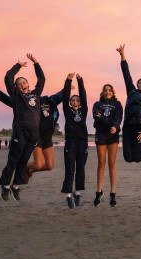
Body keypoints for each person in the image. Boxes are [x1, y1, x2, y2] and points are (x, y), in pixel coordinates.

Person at [0, 78, 63, 183]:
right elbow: (5, 98)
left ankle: (28, 171)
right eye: (20, 84)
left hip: (47, 137)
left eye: (25, 83)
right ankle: (22, 168)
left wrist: (68, 85)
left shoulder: (48, 100)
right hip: (35, 136)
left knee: (49, 166)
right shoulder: (21, 101)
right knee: (38, 164)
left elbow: (60, 95)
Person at [0, 53, 45, 201]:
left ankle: (16, 186)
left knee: (24, 160)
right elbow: (7, 78)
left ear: (28, 84)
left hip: (34, 133)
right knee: (14, 159)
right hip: (20, 131)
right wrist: (17, 66)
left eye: (24, 82)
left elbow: (42, 79)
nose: (23, 84)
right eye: (19, 83)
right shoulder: (16, 97)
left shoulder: (36, 95)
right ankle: (5, 186)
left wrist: (36, 62)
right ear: (16, 88)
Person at [92, 84, 123, 207]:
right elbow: (96, 115)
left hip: (112, 135)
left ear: (112, 92)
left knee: (112, 164)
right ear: (102, 92)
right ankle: (99, 191)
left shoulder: (117, 104)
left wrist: (115, 127)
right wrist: (97, 116)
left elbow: (119, 117)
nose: (107, 92)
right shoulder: (97, 104)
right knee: (101, 163)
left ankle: (113, 193)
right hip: (101, 134)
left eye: (109, 90)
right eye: (105, 90)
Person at [61, 73, 88, 209]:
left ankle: (77, 192)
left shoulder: (84, 111)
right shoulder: (67, 110)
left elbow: (83, 95)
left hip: (82, 144)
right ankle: (68, 195)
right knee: (70, 169)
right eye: (73, 100)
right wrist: (68, 80)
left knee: (81, 169)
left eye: (77, 100)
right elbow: (65, 97)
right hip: (70, 143)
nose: (75, 102)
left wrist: (80, 80)